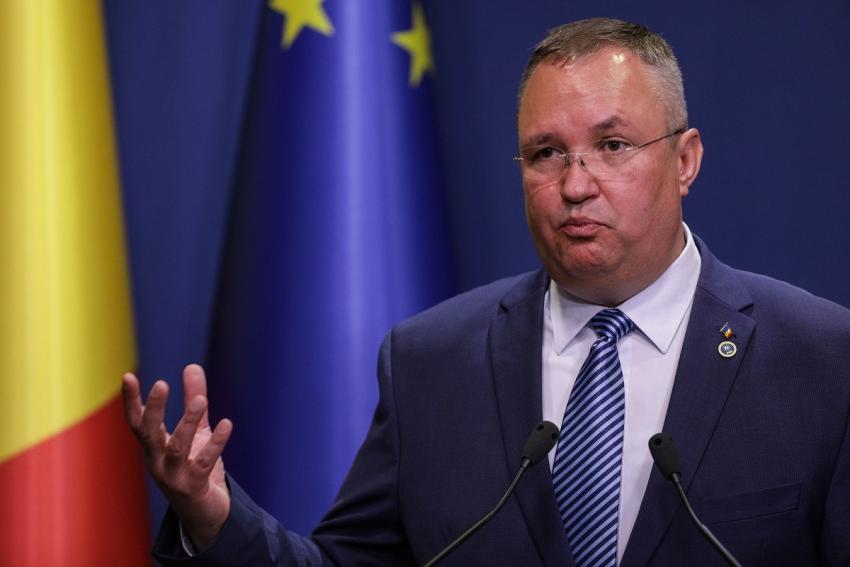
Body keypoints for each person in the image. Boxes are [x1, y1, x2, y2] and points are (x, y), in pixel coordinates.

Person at [123, 17, 850, 566]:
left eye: (612, 146)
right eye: (545, 153)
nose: (574, 185)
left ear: (685, 159)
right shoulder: (430, 362)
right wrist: (214, 517)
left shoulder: (822, 361)